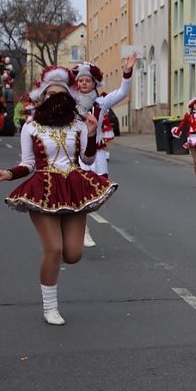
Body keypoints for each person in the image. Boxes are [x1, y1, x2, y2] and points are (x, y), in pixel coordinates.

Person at [0, 66, 118, 326]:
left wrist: (91, 135)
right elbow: (29, 163)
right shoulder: (31, 126)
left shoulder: (78, 125)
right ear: (41, 98)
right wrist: (8, 174)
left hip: (74, 187)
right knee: (54, 248)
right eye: (49, 95)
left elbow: (87, 159)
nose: (55, 98)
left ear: (69, 97)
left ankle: (56, 277)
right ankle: (50, 307)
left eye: (60, 94)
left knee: (73, 254)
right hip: (43, 190)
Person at [72, 54, 137, 247]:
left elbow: (122, 93)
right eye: (80, 81)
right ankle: (83, 229)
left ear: (94, 83)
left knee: (99, 191)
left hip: (97, 152)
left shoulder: (101, 103)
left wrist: (127, 72)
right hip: (78, 152)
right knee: (82, 191)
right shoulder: (71, 103)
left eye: (87, 80)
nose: (84, 83)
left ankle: (81, 219)